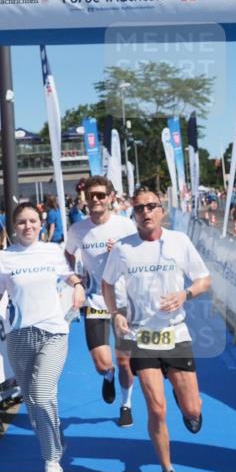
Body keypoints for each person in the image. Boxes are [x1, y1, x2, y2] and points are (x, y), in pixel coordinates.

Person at [102, 188, 212, 472]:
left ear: (161, 210)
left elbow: (204, 280)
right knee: (156, 408)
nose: (146, 212)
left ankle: (187, 402)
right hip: (143, 337)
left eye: (151, 206)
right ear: (133, 214)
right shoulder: (122, 249)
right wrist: (115, 313)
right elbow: (107, 283)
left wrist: (185, 294)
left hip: (175, 333)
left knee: (191, 409)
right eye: (139, 208)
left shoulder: (179, 241)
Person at [0, 202, 85, 472]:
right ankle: (56, 438)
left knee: (42, 395)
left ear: (40, 223)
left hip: (53, 332)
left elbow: (68, 275)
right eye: (21, 222)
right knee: (33, 404)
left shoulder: (52, 251)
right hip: (19, 337)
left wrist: (78, 285)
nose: (27, 226)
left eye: (32, 221)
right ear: (14, 227)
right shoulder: (4, 257)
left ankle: (52, 460)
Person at [64, 176, 138, 427]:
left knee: (125, 360)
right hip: (95, 302)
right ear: (85, 198)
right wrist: (76, 279)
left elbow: (140, 255)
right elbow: (67, 255)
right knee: (103, 363)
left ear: (110, 198)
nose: (95, 199)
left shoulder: (125, 225)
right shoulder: (77, 229)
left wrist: (121, 250)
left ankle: (126, 405)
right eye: (91, 195)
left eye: (100, 195)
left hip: (124, 302)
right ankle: (108, 377)